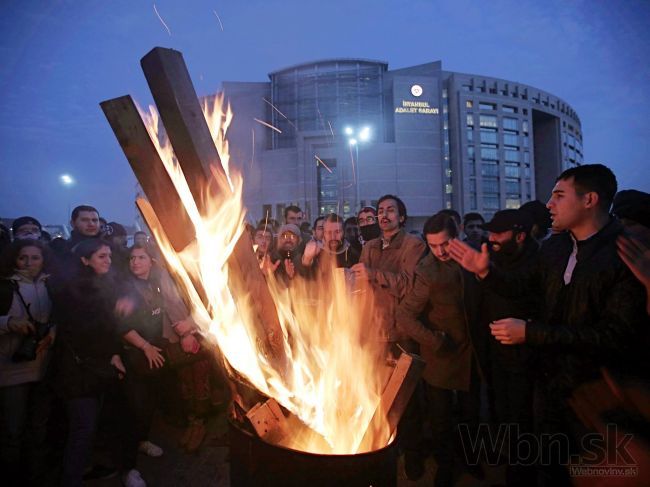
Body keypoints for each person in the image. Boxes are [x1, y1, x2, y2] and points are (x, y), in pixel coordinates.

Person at [448, 164, 649, 485]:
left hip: (599, 396)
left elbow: (615, 336)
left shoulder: (625, 253)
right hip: (549, 384)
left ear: (589, 200)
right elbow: (523, 287)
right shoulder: (555, 247)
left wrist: (531, 333)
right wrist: (486, 272)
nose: (549, 204)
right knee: (549, 466)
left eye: (558, 195)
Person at [395, 212, 483, 485]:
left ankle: (470, 460)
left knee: (471, 414)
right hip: (441, 356)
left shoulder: (475, 256)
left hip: (473, 353)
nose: (440, 251)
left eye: (445, 243)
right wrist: (434, 340)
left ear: (456, 235)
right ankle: (446, 466)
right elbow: (405, 315)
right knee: (441, 419)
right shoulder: (427, 270)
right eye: (433, 246)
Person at [49, 238, 126, 487]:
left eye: (109, 256)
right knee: (82, 428)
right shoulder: (75, 291)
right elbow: (87, 333)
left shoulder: (101, 285)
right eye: (102, 256)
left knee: (89, 427)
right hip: (77, 372)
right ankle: (71, 479)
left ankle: (82, 469)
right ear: (85, 260)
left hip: (94, 369)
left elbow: (106, 330)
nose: (108, 260)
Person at [481, 209, 539, 485]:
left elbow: (515, 287)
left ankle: (521, 471)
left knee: (521, 416)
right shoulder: (492, 257)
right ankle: (505, 453)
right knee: (501, 409)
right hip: (495, 350)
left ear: (519, 236)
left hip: (524, 354)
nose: (492, 238)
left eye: (498, 233)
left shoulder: (537, 261)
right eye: (489, 232)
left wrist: (486, 273)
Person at [0, 239, 55, 486]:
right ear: (15, 259)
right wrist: (9, 323)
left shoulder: (49, 285)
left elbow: (59, 315)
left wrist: (53, 332)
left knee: (39, 428)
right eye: (24, 257)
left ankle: (35, 476)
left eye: (36, 258)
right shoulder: (5, 287)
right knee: (13, 431)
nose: (30, 263)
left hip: (42, 367)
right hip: (12, 369)